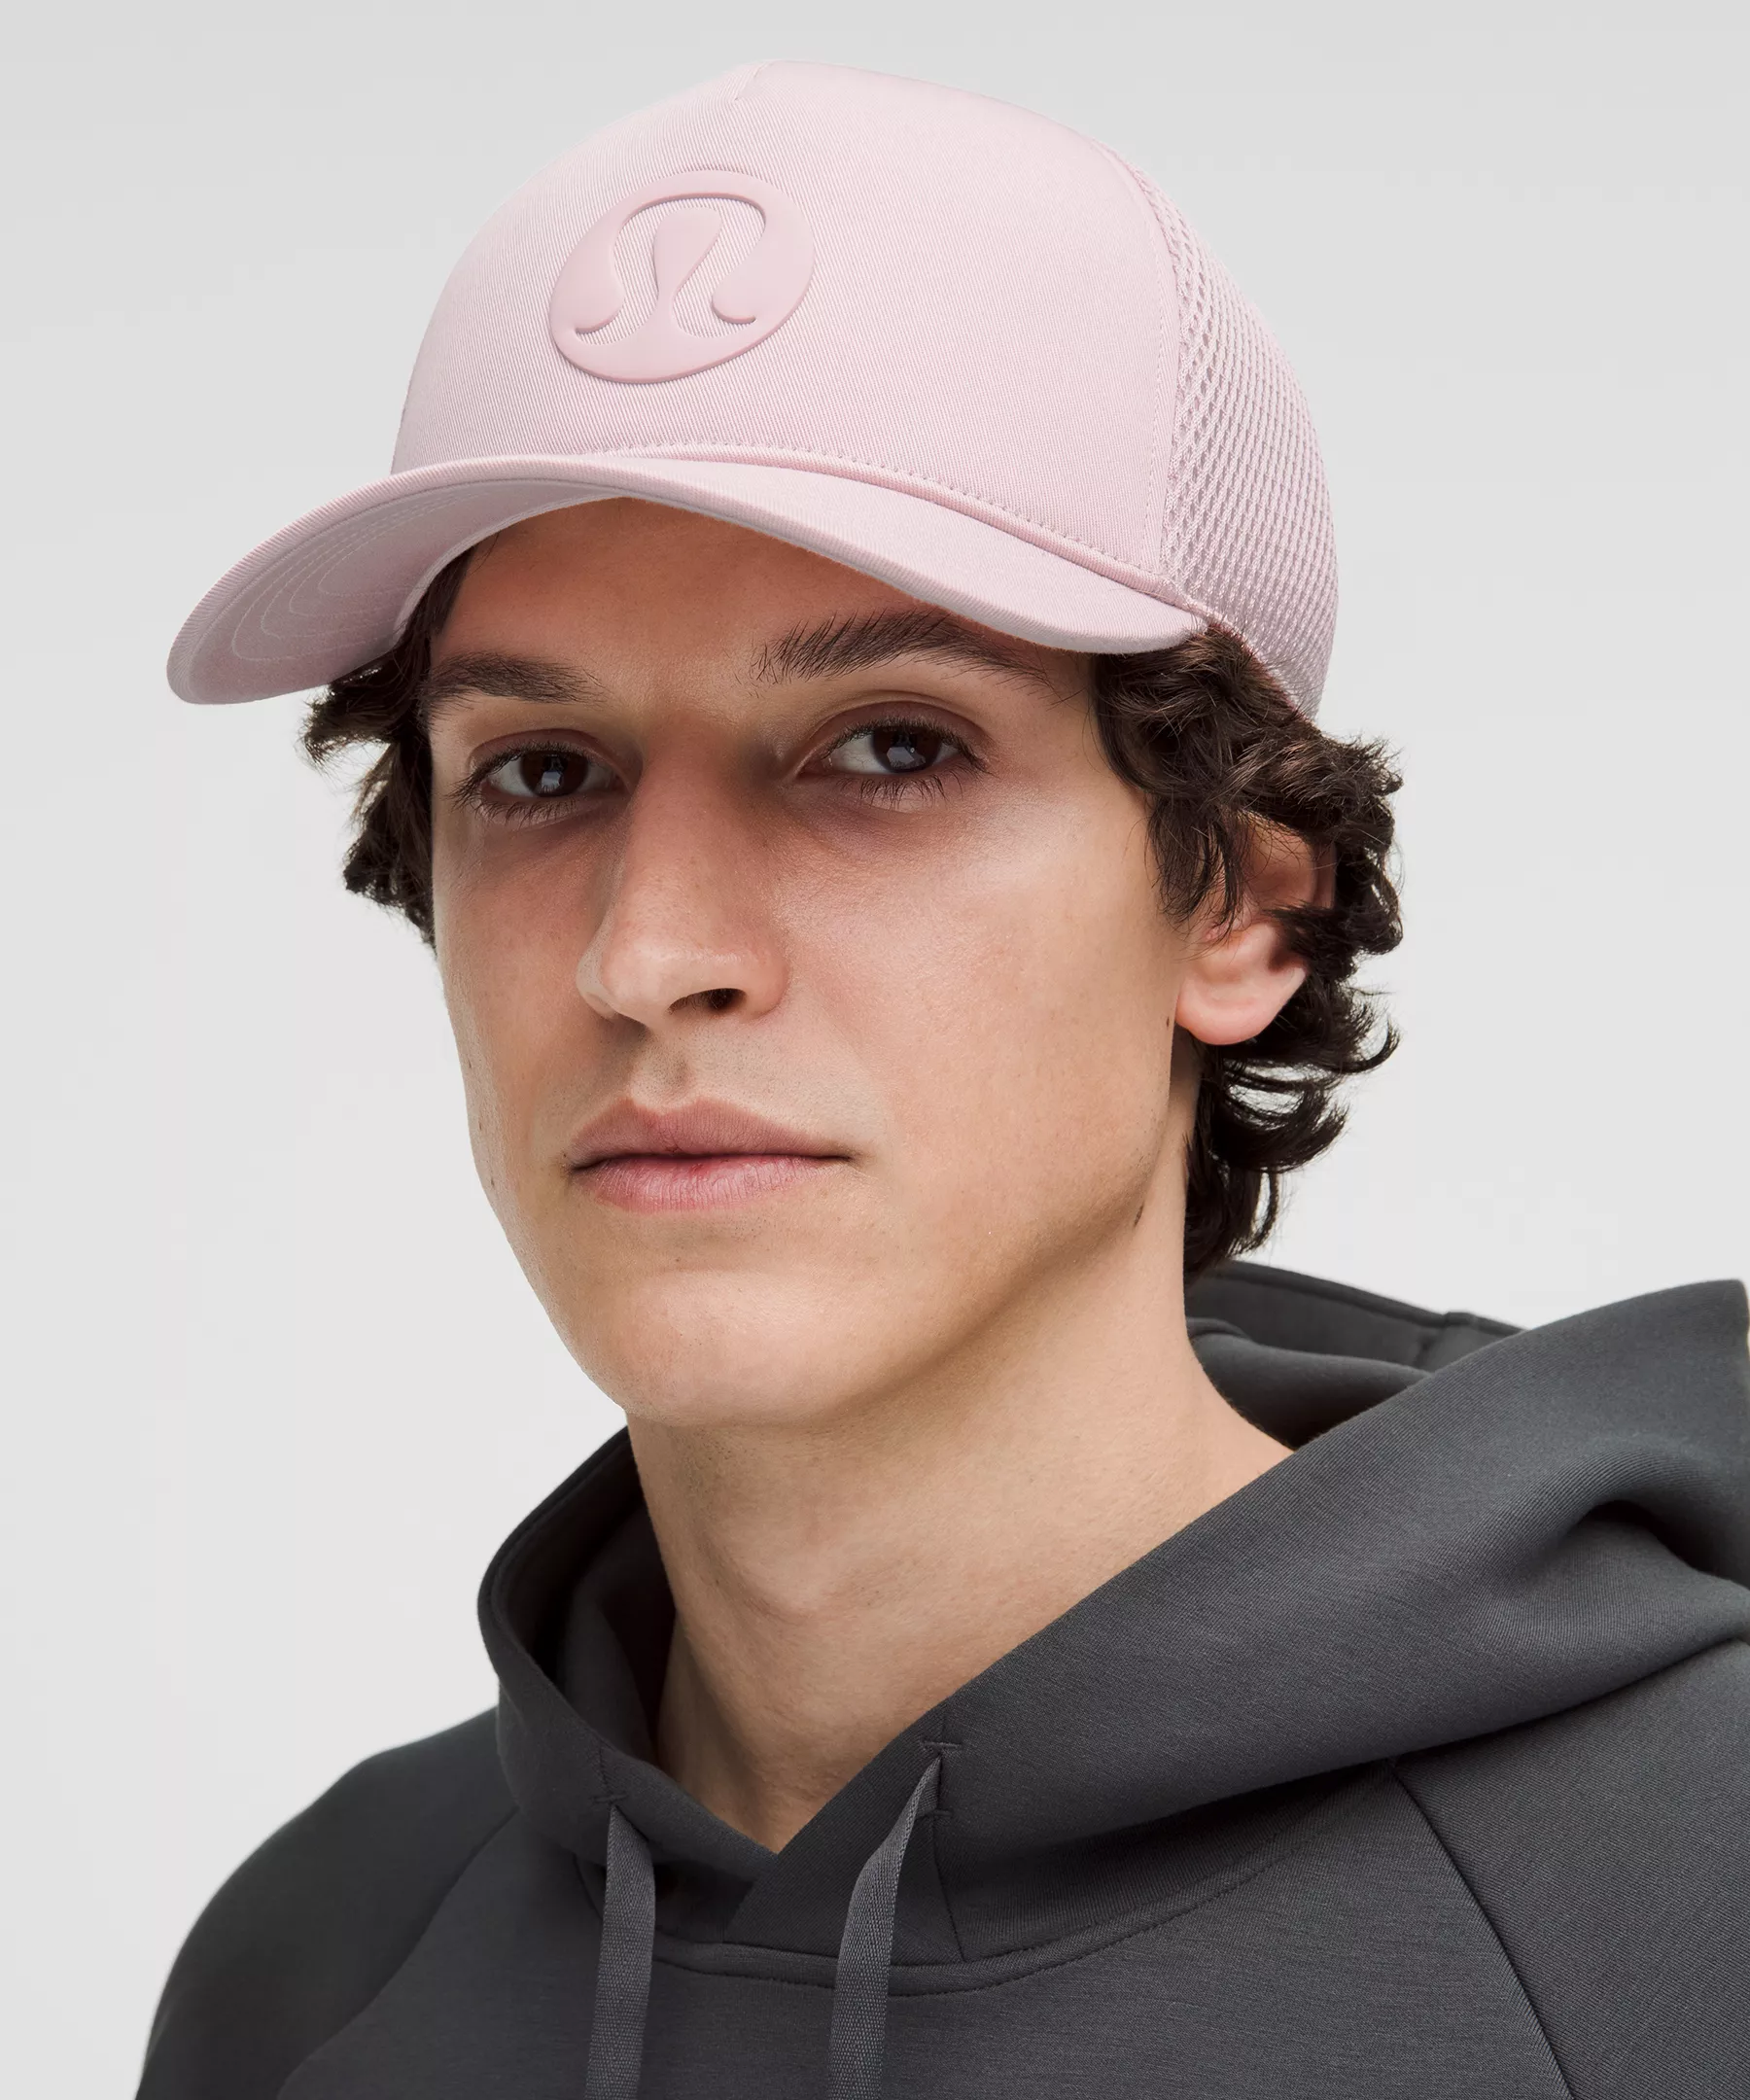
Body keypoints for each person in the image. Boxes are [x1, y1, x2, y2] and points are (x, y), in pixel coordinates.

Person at [141, 59, 1750, 2100]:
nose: (649, 953)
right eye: (541, 771)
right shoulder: (315, 1967)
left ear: (1243, 903)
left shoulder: (1689, 1906)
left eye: (890, 749)